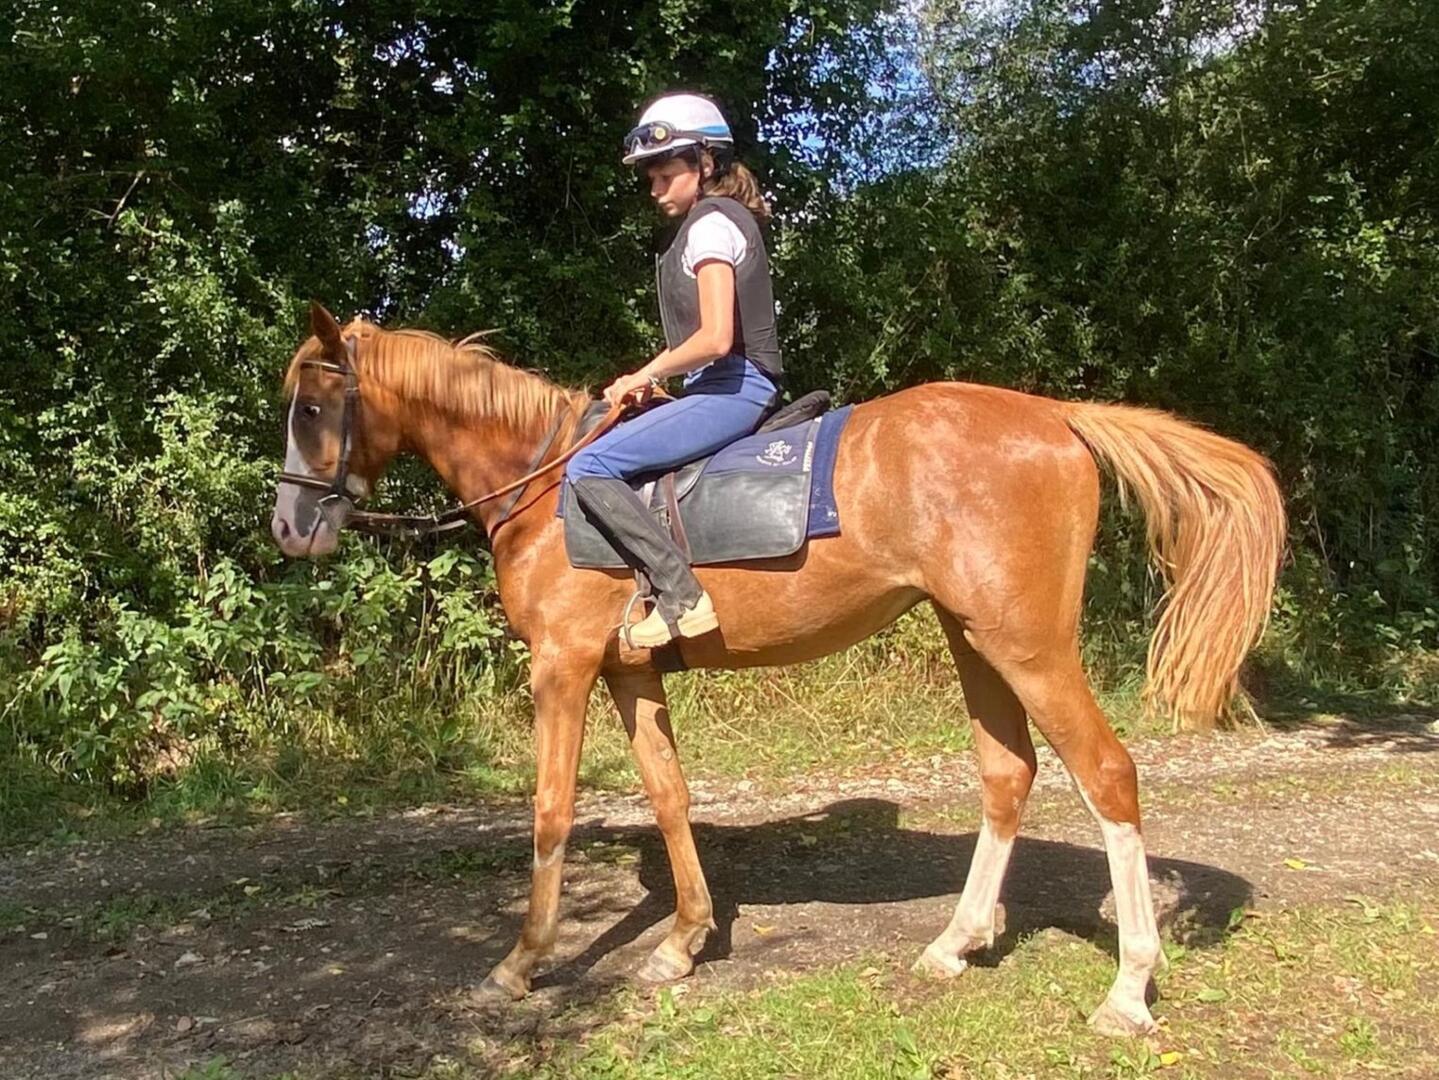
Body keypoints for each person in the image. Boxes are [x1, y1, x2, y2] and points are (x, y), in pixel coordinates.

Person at [565, 92, 784, 649]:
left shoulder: (711, 226)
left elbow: (715, 338)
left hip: (736, 388)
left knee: (589, 464)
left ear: (704, 164)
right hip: (716, 386)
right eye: (652, 179)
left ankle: (681, 595)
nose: (655, 189)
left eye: (665, 176)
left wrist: (642, 375)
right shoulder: (704, 225)